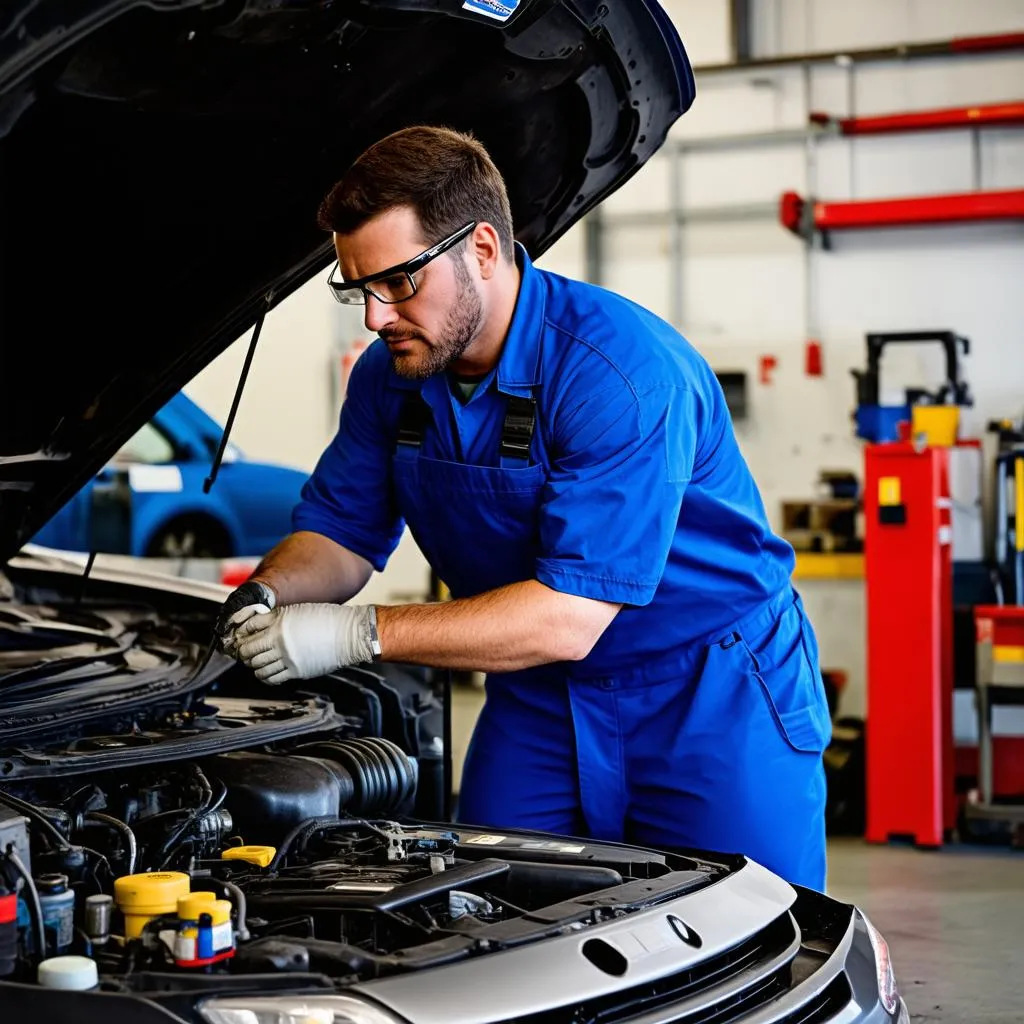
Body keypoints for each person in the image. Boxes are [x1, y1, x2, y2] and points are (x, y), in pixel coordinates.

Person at [218, 125, 833, 891]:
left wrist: (358, 632)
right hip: (539, 693)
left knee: (745, 925)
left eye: (398, 282)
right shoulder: (392, 377)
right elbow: (340, 536)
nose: (375, 317)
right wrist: (268, 596)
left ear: (480, 249)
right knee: (481, 911)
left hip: (708, 694)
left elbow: (570, 615)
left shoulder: (619, 373)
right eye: (357, 288)